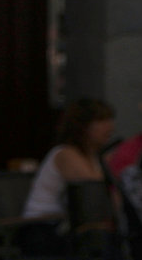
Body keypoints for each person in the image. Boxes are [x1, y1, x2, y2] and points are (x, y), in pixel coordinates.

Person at [23, 98, 117, 233]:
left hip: (67, 226)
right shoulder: (66, 154)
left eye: (110, 120)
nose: (110, 127)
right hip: (43, 227)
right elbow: (94, 193)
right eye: (101, 121)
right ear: (82, 126)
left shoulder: (94, 156)